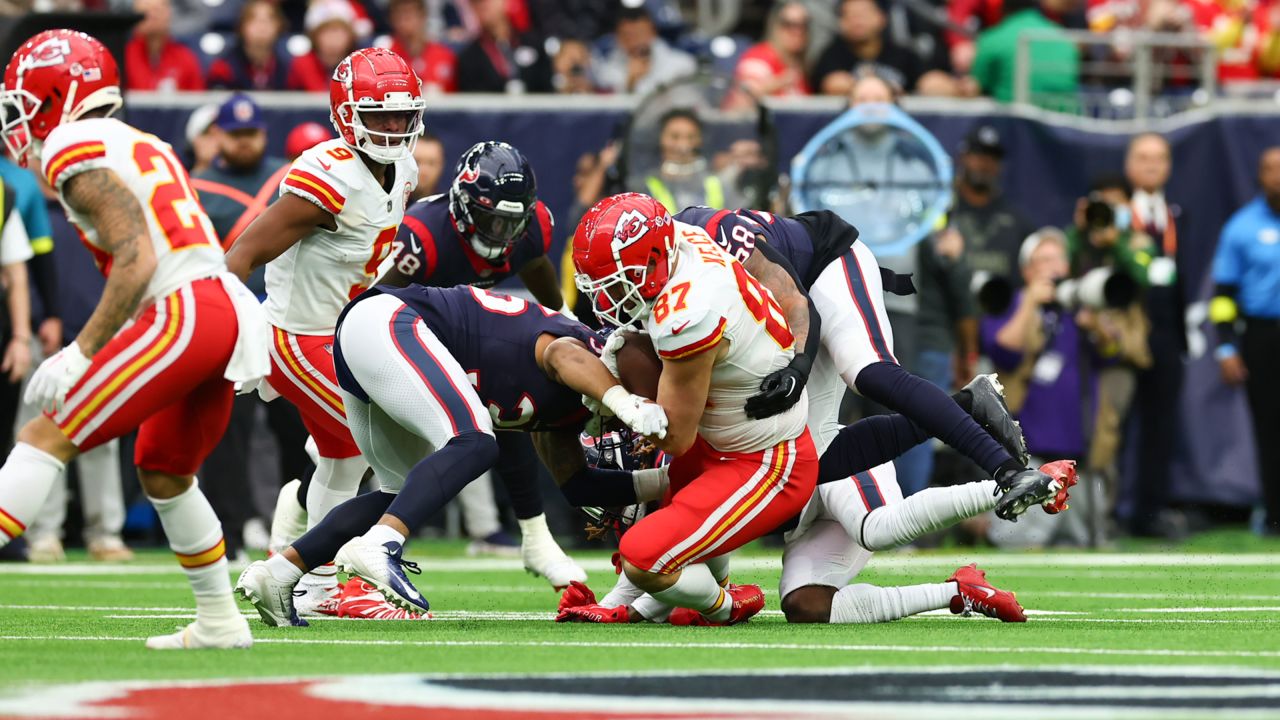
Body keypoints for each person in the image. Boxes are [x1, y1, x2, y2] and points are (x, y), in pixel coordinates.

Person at [558, 203, 1061, 625]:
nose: (607, 294)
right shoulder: (673, 274)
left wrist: (798, 367)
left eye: (616, 278)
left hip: (822, 272)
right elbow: (692, 534)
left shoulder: (707, 261)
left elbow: (800, 305)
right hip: (773, 366)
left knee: (867, 372)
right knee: (805, 572)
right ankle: (968, 414)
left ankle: (1006, 469)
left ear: (654, 257)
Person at [0, 29, 268, 649]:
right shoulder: (140, 140)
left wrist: (83, 349)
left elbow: (137, 255)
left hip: (183, 311)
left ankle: (220, 620)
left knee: (44, 435)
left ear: (55, 93)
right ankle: (221, 623)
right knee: (165, 471)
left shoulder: (70, 144)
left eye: (25, 100)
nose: (20, 119)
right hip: (220, 311)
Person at [234, 284, 666, 623]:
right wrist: (626, 403)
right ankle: (382, 546)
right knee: (476, 441)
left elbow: (577, 487)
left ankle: (281, 572)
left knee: (399, 492)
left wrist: (667, 481)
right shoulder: (583, 352)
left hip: (370, 336)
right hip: (388, 322)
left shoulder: (569, 413)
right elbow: (560, 353)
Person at [226, 47, 427, 620]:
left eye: (400, 115)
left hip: (345, 335)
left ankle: (310, 580)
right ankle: (336, 573)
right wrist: (237, 336)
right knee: (382, 454)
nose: (392, 127)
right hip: (297, 337)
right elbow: (238, 256)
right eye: (378, 115)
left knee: (344, 461)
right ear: (346, 111)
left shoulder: (404, 169)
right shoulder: (327, 175)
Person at [378, 141, 585, 586]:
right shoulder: (422, 236)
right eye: (492, 219)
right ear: (464, 206)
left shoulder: (531, 230)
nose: (500, 233)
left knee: (509, 405)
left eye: (511, 222)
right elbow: (371, 306)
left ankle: (536, 537)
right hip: (398, 335)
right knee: (354, 451)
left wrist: (564, 323)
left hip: (459, 337)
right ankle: (312, 535)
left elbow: (536, 268)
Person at [980, 229, 1102, 546]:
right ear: (1027, 270)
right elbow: (1003, 350)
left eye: (1059, 259)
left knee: (1084, 543)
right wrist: (1030, 302)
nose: (1053, 267)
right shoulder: (1012, 303)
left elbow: (1116, 352)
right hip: (1030, 446)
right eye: (1044, 260)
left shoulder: (1079, 304)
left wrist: (1097, 323)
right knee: (1018, 542)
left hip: (1079, 449)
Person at [1211, 146, 1280, 536]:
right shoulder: (1243, 226)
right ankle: (1274, 514)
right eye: (1271, 169)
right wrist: (1225, 346)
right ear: (1260, 175)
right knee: (1269, 427)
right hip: (1263, 334)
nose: (1278, 176)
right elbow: (1223, 296)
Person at [1124, 132, 1186, 538]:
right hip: (1125, 332)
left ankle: (1151, 513)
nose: (1151, 165)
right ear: (1130, 164)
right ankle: (1103, 511)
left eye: (1159, 158)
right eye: (1143, 157)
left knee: (1162, 427)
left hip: (1166, 336)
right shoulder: (1113, 213)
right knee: (1111, 424)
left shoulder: (1178, 213)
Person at [811, 0, 958, 96]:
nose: (857, 20)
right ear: (841, 23)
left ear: (881, 18)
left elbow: (930, 81)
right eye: (850, 15)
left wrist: (957, 88)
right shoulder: (833, 54)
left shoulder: (901, 53)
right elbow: (832, 84)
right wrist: (885, 92)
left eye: (863, 14)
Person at [949, 124, 1035, 285]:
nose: (985, 164)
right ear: (963, 157)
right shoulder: (944, 212)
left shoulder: (1016, 222)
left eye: (992, 157)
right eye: (978, 155)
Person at [972, 0, 1080, 109]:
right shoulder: (1065, 38)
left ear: (1003, 9)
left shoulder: (991, 38)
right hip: (1065, 120)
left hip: (1012, 119)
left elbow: (977, 85)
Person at [593, 6, 696, 95]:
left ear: (653, 33)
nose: (635, 43)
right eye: (628, 36)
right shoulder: (607, 72)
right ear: (617, 38)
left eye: (640, 34)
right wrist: (630, 83)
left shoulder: (682, 65)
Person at [455, 0, 553, 94]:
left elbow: (548, 90)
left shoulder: (534, 44)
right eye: (475, 3)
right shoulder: (468, 57)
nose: (482, 6)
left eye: (486, 1)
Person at [642, 109, 725, 214]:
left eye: (691, 137)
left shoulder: (718, 183)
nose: (683, 146)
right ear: (660, 139)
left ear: (700, 141)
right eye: (674, 137)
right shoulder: (643, 187)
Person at [733, 1, 812, 100]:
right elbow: (741, 100)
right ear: (775, 26)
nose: (797, 31)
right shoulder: (758, 58)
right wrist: (778, 83)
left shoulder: (801, 65)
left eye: (803, 25)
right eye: (788, 24)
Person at [206, 0, 290, 91]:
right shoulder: (223, 68)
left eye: (269, 20)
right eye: (254, 20)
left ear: (279, 26)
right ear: (242, 26)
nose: (262, 26)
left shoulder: (287, 70)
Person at [124, 0, 206, 91]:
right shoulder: (123, 56)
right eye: (146, 12)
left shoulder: (186, 58)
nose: (152, 16)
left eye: (157, 10)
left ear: (169, 14)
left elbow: (197, 98)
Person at [288, 0, 360, 92]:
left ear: (351, 35)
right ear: (314, 36)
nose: (334, 38)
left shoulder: (358, 64)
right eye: (326, 31)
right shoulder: (303, 62)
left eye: (339, 31)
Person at [388, 0, 456, 94]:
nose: (405, 20)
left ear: (423, 16)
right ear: (392, 19)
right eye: (400, 14)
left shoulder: (444, 55)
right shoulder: (387, 58)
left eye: (411, 13)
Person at [408, 130, 444, 201]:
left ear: (441, 165)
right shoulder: (391, 204)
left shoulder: (448, 208)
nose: (424, 171)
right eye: (417, 162)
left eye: (431, 163)